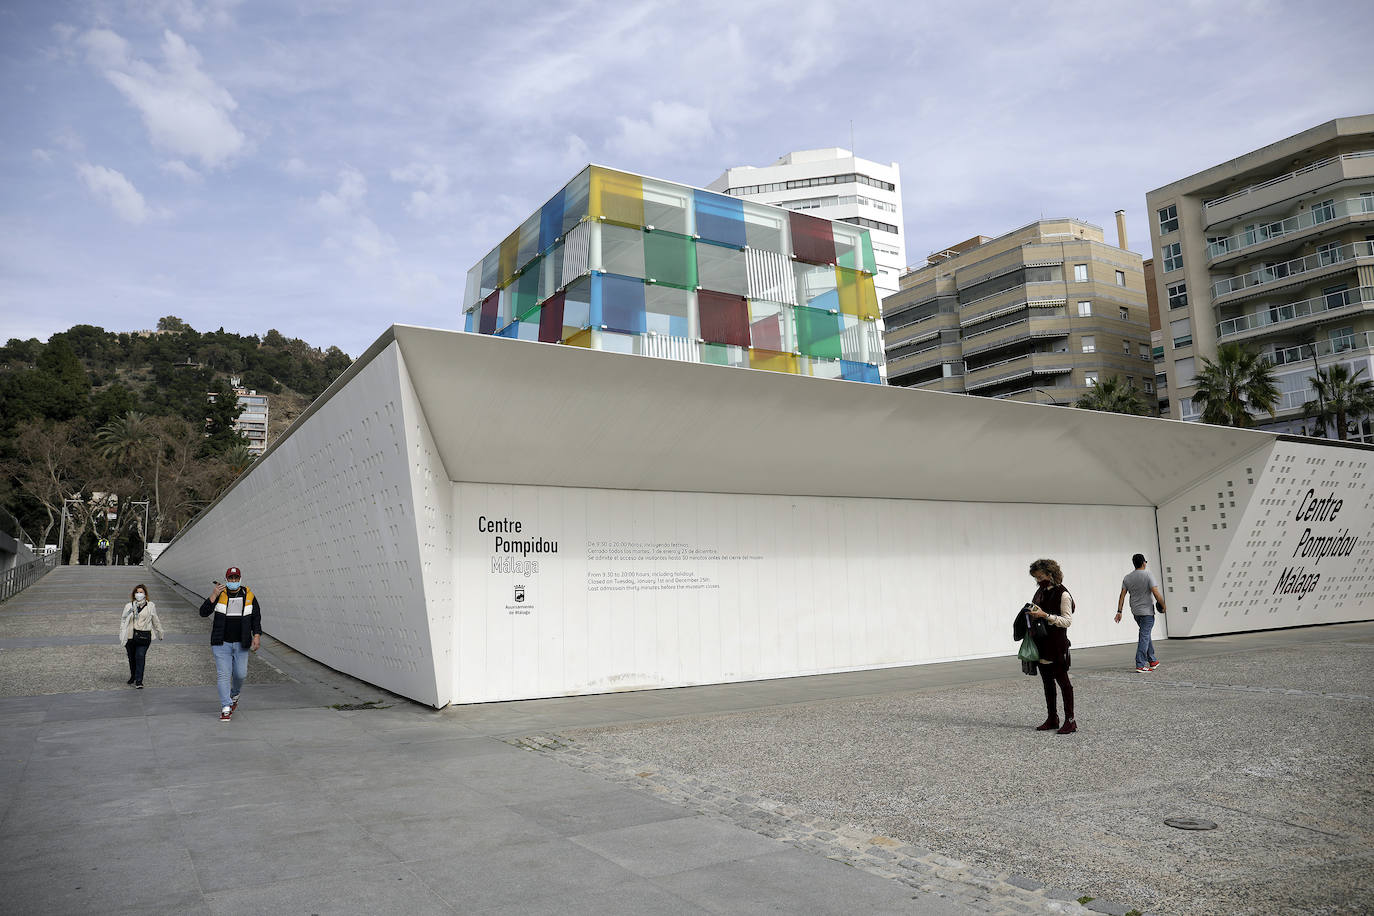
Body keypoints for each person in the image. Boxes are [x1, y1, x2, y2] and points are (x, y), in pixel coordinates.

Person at [198, 566, 262, 722]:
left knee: (241, 674)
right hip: (221, 643)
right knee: (223, 675)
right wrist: (213, 595)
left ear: (240, 579)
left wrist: (257, 635)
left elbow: (256, 617)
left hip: (242, 643)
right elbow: (203, 612)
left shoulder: (249, 595)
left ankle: (234, 694)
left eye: (236, 578)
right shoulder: (220, 594)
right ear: (226, 580)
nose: (233, 581)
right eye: (230, 578)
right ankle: (226, 706)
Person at [1027, 558, 1076, 734]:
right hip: (1042, 644)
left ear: (1050, 574)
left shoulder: (1063, 594)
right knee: (1047, 682)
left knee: (1064, 683)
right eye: (1036, 578)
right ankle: (1052, 718)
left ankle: (1070, 720)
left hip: (1057, 645)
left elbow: (1067, 621)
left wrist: (1045, 615)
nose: (1038, 581)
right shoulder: (1040, 593)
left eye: (1040, 577)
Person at [1117, 553, 1166, 672]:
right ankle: (1140, 663)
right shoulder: (1148, 575)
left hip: (1136, 612)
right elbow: (1155, 592)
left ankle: (1152, 660)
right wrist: (1163, 605)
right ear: (1144, 563)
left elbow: (1122, 595)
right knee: (1144, 636)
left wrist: (1119, 611)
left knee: (1145, 634)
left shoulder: (1127, 577)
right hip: (1147, 612)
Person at [118, 583, 164, 688]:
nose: (139, 594)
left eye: (141, 592)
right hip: (130, 636)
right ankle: (133, 675)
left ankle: (139, 680)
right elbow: (123, 619)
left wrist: (160, 631)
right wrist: (121, 632)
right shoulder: (129, 606)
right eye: (137, 592)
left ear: (145, 594)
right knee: (132, 658)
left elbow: (155, 619)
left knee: (140, 656)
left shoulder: (151, 606)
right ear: (134, 594)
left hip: (144, 636)